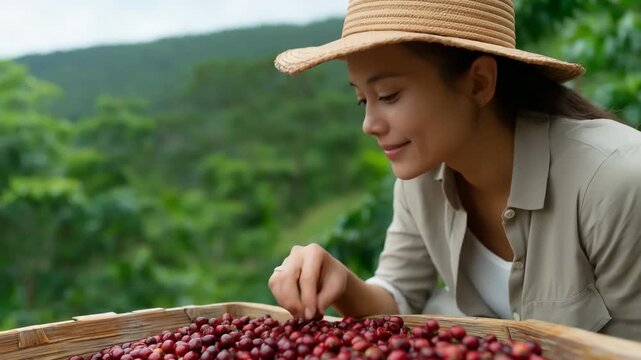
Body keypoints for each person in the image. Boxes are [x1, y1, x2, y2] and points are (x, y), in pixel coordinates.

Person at [268, 0, 641, 341]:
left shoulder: (615, 182)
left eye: (389, 96)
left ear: (479, 82)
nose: (368, 124)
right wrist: (342, 284)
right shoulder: (421, 180)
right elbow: (398, 300)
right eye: (362, 100)